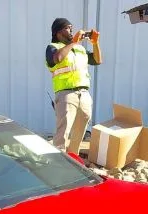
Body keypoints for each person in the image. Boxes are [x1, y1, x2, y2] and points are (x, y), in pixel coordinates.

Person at [45, 18, 101, 153]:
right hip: (66, 95)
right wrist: (74, 42)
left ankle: (72, 157)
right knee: (63, 130)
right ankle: (59, 162)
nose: (71, 30)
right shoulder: (53, 47)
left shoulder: (79, 49)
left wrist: (95, 43)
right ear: (58, 32)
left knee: (80, 130)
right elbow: (57, 58)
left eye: (71, 27)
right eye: (67, 27)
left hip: (84, 94)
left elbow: (98, 60)